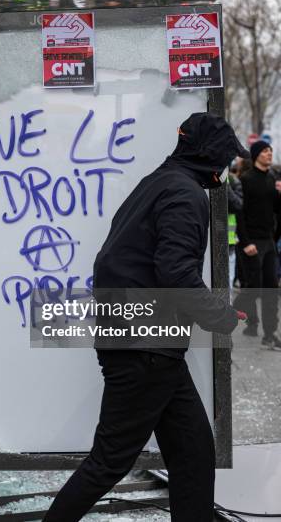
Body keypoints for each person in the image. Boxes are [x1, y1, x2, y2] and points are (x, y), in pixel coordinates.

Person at [43, 112, 248, 522]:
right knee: (110, 461)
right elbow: (175, 271)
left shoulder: (159, 182)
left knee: (193, 456)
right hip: (146, 347)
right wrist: (219, 316)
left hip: (150, 344)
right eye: (226, 160)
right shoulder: (184, 194)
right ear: (212, 159)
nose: (227, 169)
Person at [233, 140, 281, 349]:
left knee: (271, 289)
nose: (269, 154)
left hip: (268, 241)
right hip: (251, 242)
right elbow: (239, 213)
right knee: (253, 288)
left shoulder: (272, 179)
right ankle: (226, 314)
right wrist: (245, 241)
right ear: (255, 155)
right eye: (264, 151)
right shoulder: (246, 179)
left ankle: (269, 334)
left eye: (270, 150)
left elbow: (277, 211)